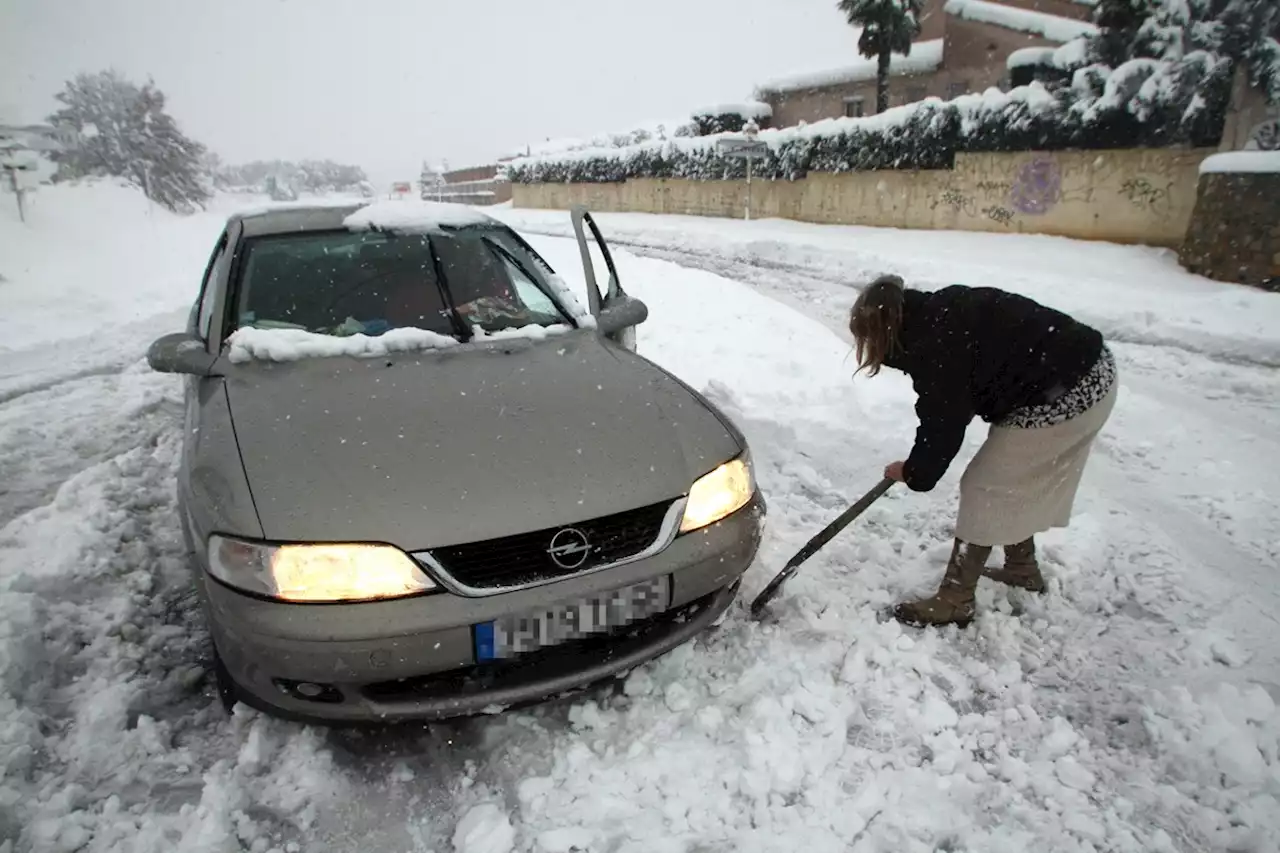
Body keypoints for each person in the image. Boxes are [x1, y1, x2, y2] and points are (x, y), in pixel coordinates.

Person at [849, 274, 1118, 628]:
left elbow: (942, 426)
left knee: (985, 487)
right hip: (1087, 371)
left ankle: (956, 598)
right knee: (1013, 478)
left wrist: (914, 472)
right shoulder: (937, 313)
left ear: (884, 332)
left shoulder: (937, 346)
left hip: (1068, 392)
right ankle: (1022, 568)